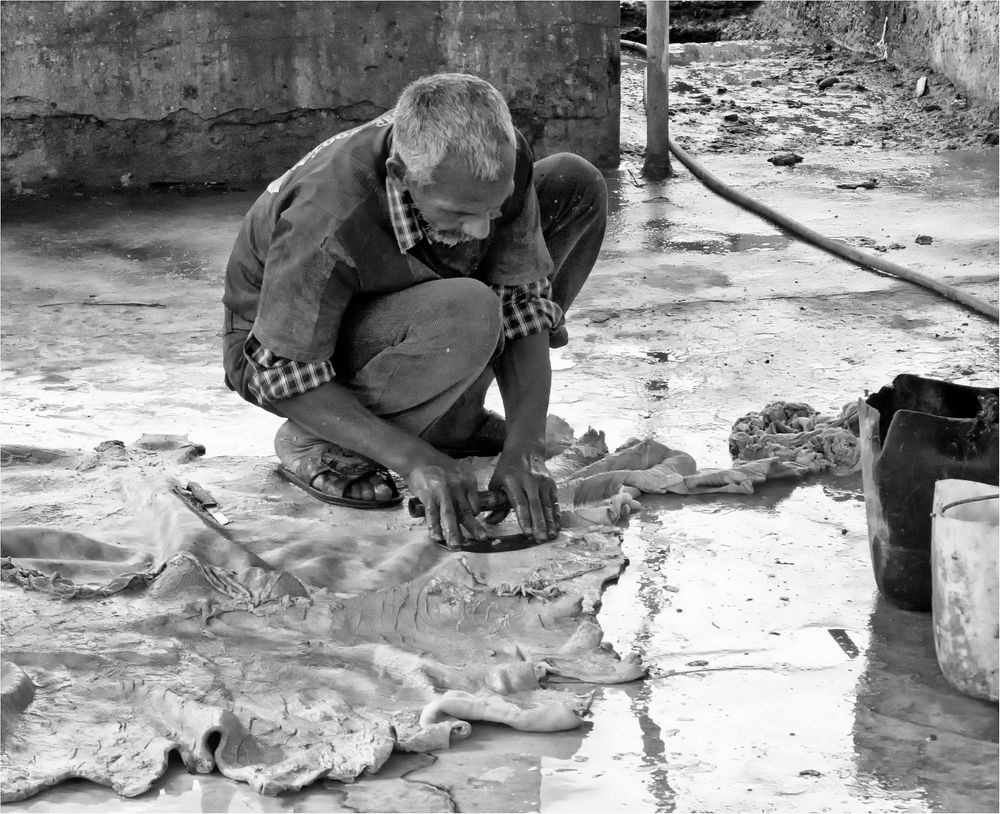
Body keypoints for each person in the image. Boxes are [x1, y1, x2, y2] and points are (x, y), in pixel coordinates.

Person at [222, 72, 607, 548]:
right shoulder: (326, 217)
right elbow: (277, 374)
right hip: (284, 352)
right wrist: (413, 461)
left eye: (494, 207)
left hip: (415, 294)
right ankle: (317, 439)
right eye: (460, 212)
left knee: (573, 184)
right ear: (402, 176)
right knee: (467, 310)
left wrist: (525, 449)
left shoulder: (497, 163)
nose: (484, 231)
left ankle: (452, 417)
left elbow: (521, 304)